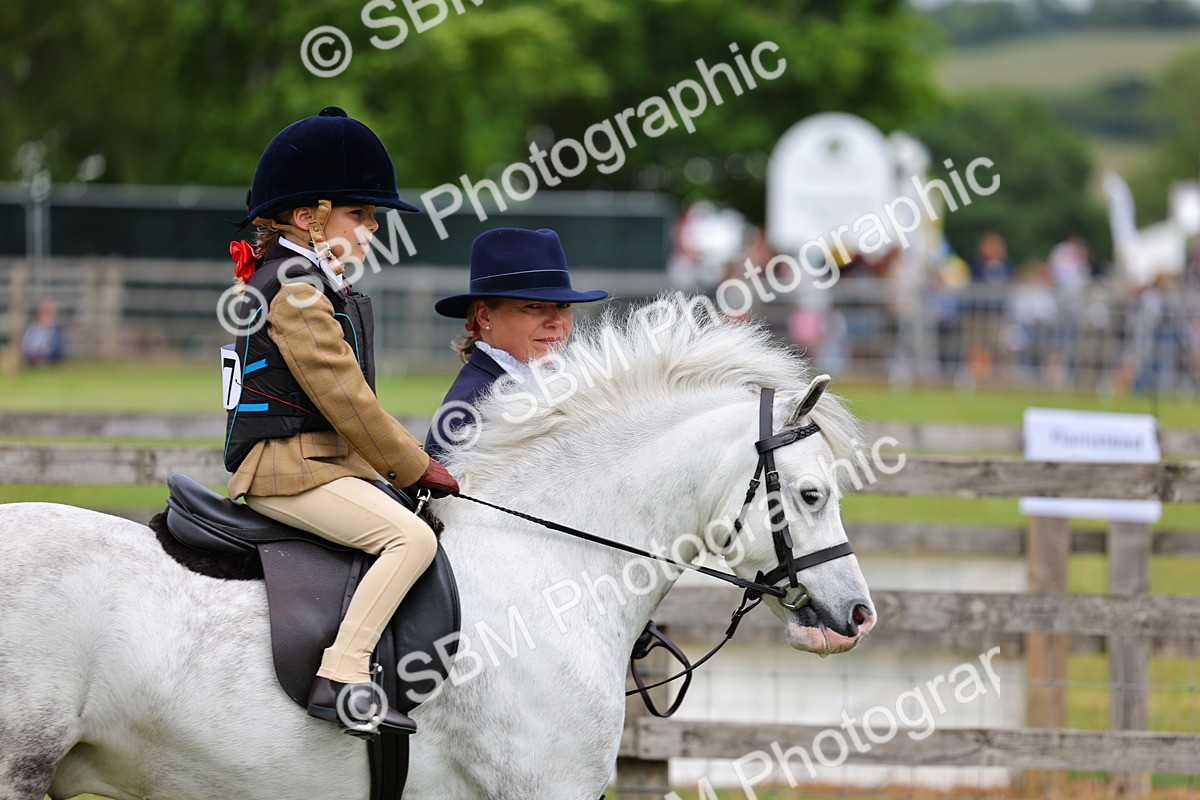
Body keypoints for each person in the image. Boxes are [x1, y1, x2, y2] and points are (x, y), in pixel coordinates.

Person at [223, 107, 458, 735]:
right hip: (286, 471)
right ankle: (343, 674)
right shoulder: (297, 291)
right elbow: (346, 397)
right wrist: (415, 464)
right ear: (309, 217)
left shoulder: (315, 284)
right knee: (411, 539)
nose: (372, 228)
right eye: (361, 215)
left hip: (316, 464)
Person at [425, 227, 608, 457]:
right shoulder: (467, 413)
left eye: (563, 306)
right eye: (532, 306)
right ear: (484, 315)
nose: (556, 321)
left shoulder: (551, 383)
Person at [21, 298, 65, 366]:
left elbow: (56, 349)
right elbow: (26, 344)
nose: (46, 317)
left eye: (48, 314)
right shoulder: (32, 328)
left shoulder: (56, 330)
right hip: (33, 357)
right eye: (44, 314)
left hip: (50, 358)